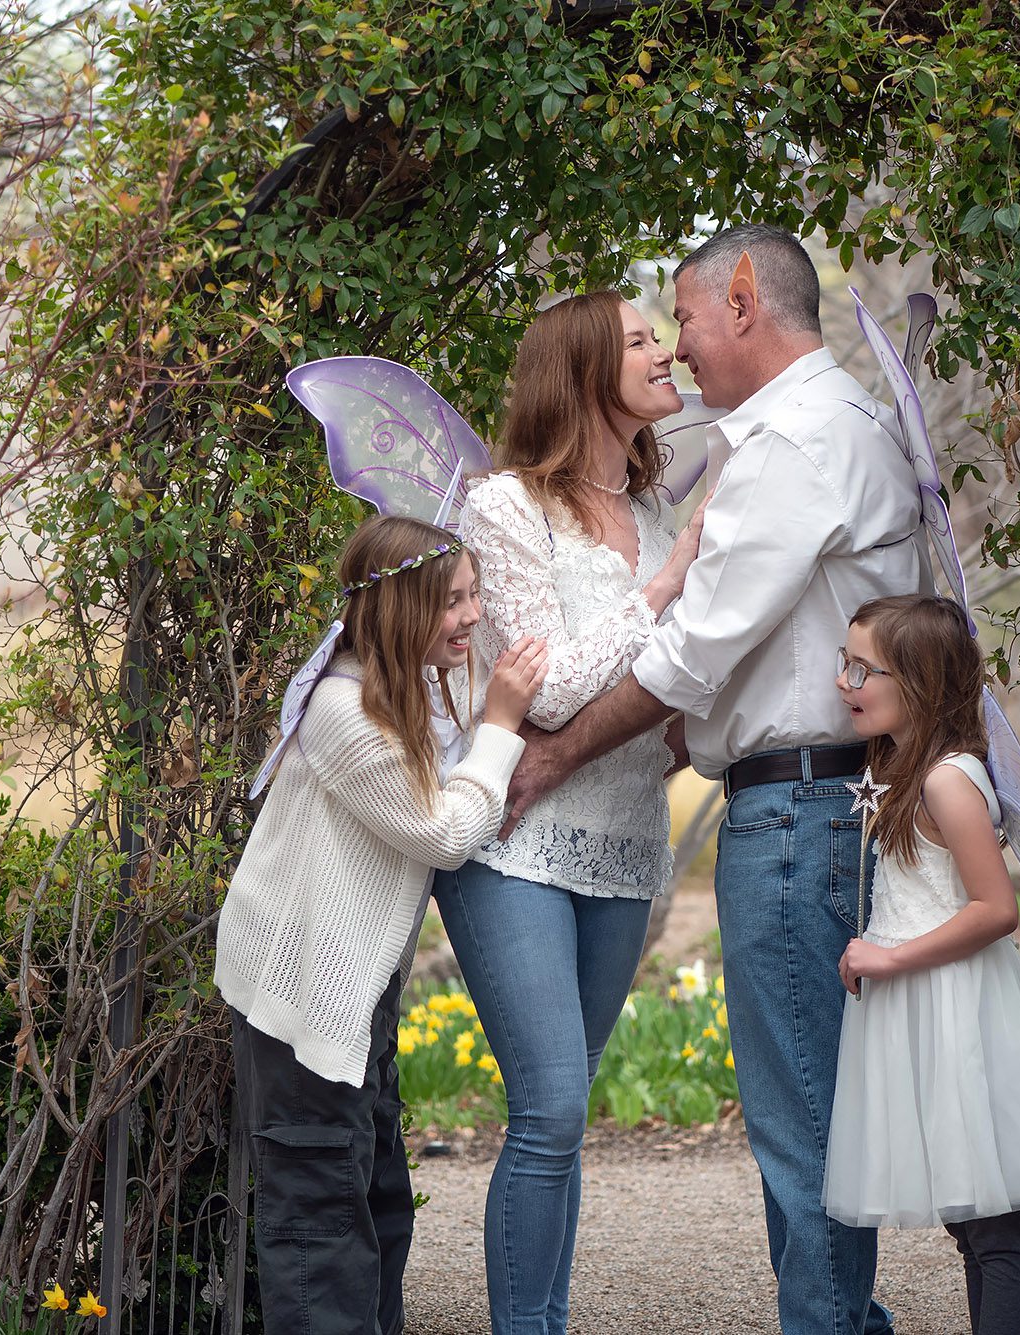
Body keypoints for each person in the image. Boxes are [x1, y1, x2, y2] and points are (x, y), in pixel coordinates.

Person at [503, 224, 923, 1335]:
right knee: (815, 1118)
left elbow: (695, 652)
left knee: (804, 1135)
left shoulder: (791, 444)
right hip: (815, 801)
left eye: (680, 319)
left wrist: (550, 755)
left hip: (797, 814)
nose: (679, 351)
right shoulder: (827, 427)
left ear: (741, 302)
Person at [435, 290, 706, 1335]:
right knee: (545, 1107)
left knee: (567, 1115)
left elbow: (662, 691)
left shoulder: (650, 516)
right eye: (639, 340)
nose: (663, 349)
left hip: (627, 839)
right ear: (583, 372)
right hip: (515, 843)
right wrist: (663, 588)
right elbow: (543, 691)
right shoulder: (505, 508)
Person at [215, 514, 549, 1335]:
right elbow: (442, 828)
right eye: (452, 601)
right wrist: (502, 727)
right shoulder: (342, 709)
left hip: (352, 1002)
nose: (471, 615)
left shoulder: (400, 695)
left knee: (378, 1209)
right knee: (320, 1228)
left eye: (474, 594)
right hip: (302, 1004)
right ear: (400, 609)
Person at [824, 594, 1020, 1335]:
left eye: (860, 668)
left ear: (920, 680)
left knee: (993, 1226)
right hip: (927, 1007)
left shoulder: (945, 780)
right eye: (845, 663)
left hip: (958, 1008)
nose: (843, 681)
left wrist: (890, 954)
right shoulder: (908, 767)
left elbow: (997, 909)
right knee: (971, 1223)